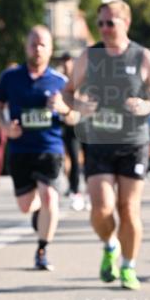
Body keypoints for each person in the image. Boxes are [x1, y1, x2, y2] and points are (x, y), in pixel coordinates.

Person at [64, 0, 150, 290]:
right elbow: (67, 93)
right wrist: (79, 106)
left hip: (133, 143)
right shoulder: (90, 57)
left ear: (126, 22)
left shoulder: (143, 58)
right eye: (100, 23)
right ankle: (110, 245)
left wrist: (148, 105)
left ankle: (128, 266)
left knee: (128, 208)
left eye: (110, 22)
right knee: (101, 208)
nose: (103, 28)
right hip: (99, 141)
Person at [0, 26, 71, 270]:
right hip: (20, 149)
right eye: (33, 44)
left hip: (50, 147)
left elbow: (76, 115)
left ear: (50, 49)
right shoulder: (10, 77)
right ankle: (40, 214)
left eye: (42, 44)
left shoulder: (61, 82)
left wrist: (64, 107)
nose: (37, 49)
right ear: (26, 47)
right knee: (26, 206)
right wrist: (5, 126)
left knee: (49, 197)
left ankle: (42, 250)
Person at [59, 53, 85, 210]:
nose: (67, 65)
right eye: (65, 62)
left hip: (78, 125)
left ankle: (76, 190)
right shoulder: (59, 79)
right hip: (61, 124)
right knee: (64, 159)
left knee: (76, 159)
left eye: (69, 62)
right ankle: (71, 186)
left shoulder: (80, 79)